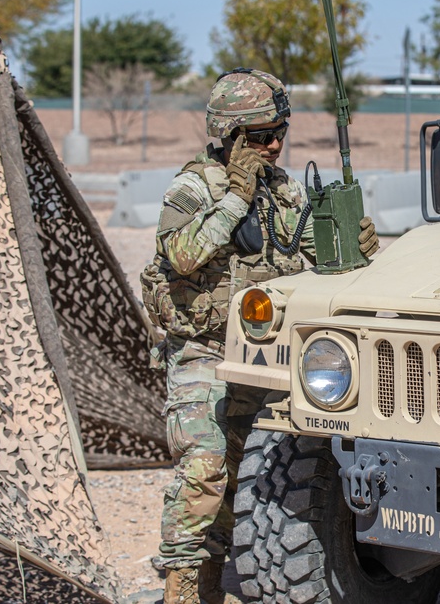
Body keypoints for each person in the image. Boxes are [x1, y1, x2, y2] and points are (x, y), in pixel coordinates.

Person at [140, 68, 379, 604]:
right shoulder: (193, 188)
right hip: (202, 349)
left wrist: (357, 245)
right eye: (259, 136)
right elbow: (181, 256)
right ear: (228, 135)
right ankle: (181, 592)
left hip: (262, 356)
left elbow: (321, 264)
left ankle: (213, 583)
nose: (273, 145)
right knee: (203, 470)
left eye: (280, 132)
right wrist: (234, 200)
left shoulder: (285, 191)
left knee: (246, 476)